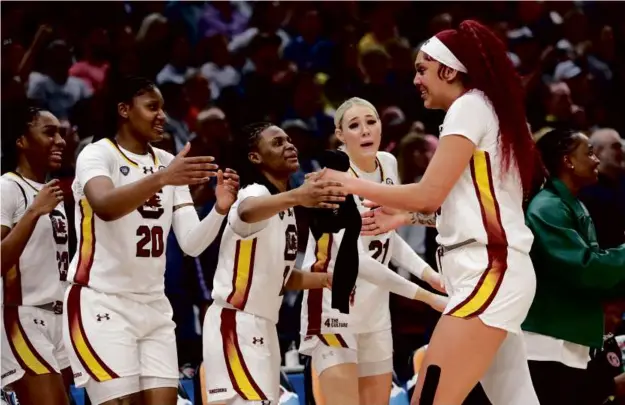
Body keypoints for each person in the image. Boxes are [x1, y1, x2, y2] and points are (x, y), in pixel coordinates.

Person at [318, 20, 541, 405]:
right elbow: (462, 205)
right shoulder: (489, 110)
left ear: (449, 70)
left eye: (422, 69)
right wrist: (406, 218)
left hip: (488, 270)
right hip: (492, 269)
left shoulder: (469, 106)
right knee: (515, 400)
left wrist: (349, 183)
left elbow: (427, 194)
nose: (417, 80)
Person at [62, 76, 239, 405]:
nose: (163, 116)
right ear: (124, 110)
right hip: (101, 300)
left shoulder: (167, 163)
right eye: (153, 107)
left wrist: (218, 210)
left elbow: (191, 244)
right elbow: (104, 206)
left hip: (154, 307)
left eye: (163, 108)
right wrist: (162, 178)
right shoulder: (97, 154)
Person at [299, 98, 447, 405]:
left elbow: (387, 235)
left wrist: (431, 276)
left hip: (375, 307)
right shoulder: (332, 180)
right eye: (354, 126)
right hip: (334, 306)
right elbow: (359, 261)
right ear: (340, 135)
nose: (365, 131)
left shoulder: (388, 163)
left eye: (371, 121)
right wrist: (427, 296)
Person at [202, 122, 342, 405]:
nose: (289, 145)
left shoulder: (285, 209)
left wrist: (326, 279)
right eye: (277, 143)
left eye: (289, 140)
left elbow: (284, 277)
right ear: (256, 157)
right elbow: (245, 210)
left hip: (263, 325)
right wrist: (300, 195)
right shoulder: (256, 193)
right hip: (235, 320)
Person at [522, 128, 625, 405]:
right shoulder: (547, 207)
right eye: (589, 152)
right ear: (568, 161)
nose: (596, 160)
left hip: (568, 338)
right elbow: (584, 269)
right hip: (546, 342)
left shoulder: (570, 204)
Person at [1, 106, 71, 405]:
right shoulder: (8, 187)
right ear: (21, 141)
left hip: (58, 316)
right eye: (49, 132)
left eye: (62, 133)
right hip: (21, 314)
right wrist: (33, 212)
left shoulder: (48, 191)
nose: (61, 141)